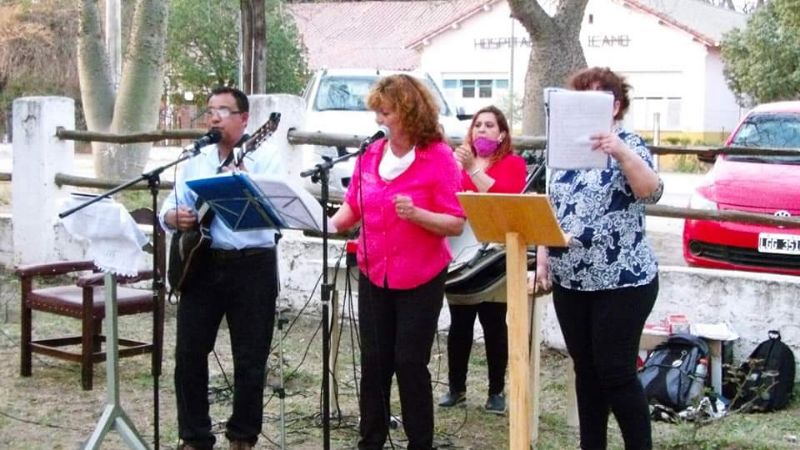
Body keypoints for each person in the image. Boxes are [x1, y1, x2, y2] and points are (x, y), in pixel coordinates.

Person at [330, 74, 466, 450]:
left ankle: (419, 442)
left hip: (421, 276)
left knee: (409, 363)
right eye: (377, 112)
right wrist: (323, 225)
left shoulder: (438, 157)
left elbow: (456, 221)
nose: (379, 120)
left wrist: (418, 215)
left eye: (385, 112)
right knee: (374, 362)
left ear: (408, 112)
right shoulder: (370, 155)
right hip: (375, 271)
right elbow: (352, 207)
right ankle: (370, 441)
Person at [533, 67, 663, 450]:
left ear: (616, 106)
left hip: (623, 280)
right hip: (571, 280)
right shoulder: (561, 152)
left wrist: (619, 152)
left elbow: (651, 191)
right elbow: (549, 209)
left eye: (598, 100)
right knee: (586, 372)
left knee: (615, 371)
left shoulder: (630, 143)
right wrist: (542, 261)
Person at [160, 86, 282, 450]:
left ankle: (243, 436)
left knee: (250, 357)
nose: (214, 117)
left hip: (253, 267)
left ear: (244, 120)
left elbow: (274, 218)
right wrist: (173, 216)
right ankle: (195, 437)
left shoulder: (267, 157)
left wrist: (245, 184)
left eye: (224, 111)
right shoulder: (194, 158)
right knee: (189, 353)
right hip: (204, 264)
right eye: (211, 110)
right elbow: (170, 206)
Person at [438, 106, 527, 414]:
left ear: (501, 134)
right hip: (463, 253)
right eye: (478, 125)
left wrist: (475, 169)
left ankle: (496, 391)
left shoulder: (513, 164)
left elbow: (506, 200)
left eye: (490, 125)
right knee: (460, 323)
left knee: (493, 324)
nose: (482, 130)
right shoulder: (457, 163)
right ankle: (456, 388)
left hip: (496, 255)